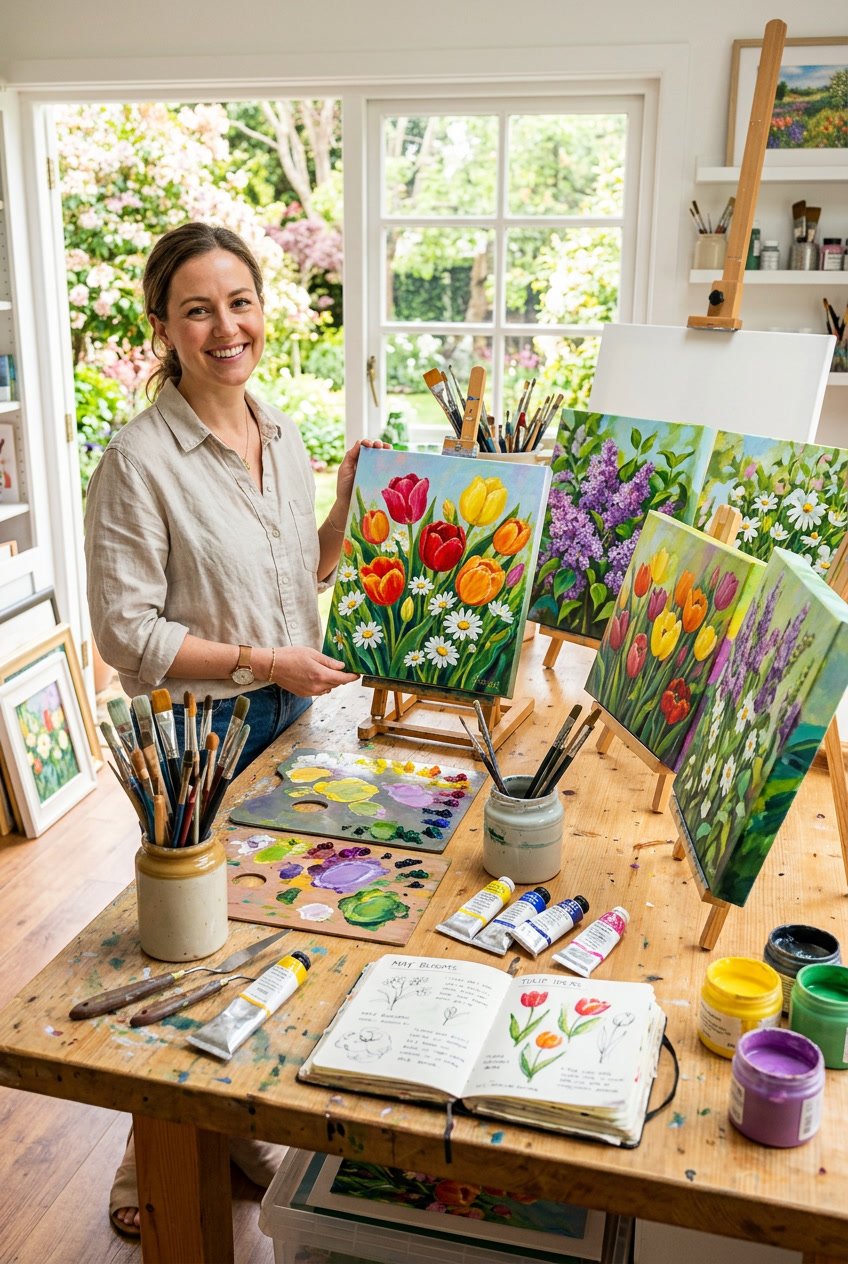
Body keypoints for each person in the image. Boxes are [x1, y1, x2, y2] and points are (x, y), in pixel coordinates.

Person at [84, 221, 388, 1235]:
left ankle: (235, 1128)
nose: (226, 327)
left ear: (264, 309)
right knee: (185, 951)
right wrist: (264, 662)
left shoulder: (283, 433)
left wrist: (344, 506)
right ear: (163, 327)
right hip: (198, 736)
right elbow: (126, 632)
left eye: (240, 302)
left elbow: (304, 575)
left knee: (268, 930)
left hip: (290, 714)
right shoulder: (137, 459)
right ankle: (147, 1165)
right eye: (198, 310)